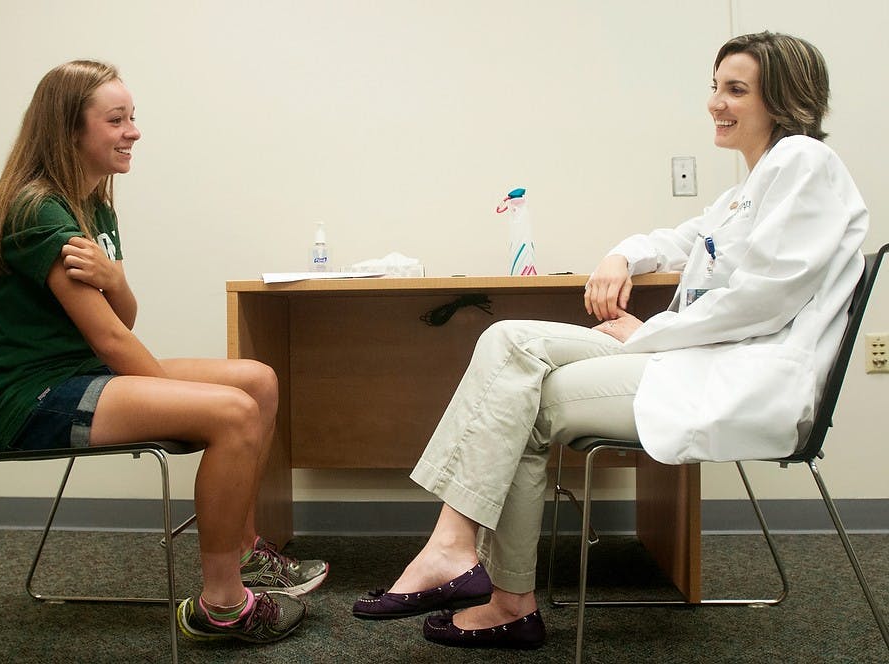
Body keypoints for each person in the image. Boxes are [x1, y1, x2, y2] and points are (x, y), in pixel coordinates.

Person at [352, 31, 868, 650]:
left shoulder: (803, 163)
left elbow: (766, 299)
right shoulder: (749, 190)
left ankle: (499, 593)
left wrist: (651, 332)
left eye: (737, 90)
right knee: (509, 341)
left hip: (743, 377)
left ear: (784, 101)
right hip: (698, 360)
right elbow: (683, 239)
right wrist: (621, 255)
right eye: (716, 87)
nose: (716, 103)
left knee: (522, 397)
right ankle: (459, 551)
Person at [0, 60, 328, 645]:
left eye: (132, 117)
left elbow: (122, 316)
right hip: (33, 399)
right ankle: (224, 606)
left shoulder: (94, 205)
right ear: (69, 130)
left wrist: (113, 277)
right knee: (232, 411)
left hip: (79, 373)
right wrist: (184, 396)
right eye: (116, 119)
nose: (133, 130)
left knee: (256, 381)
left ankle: (244, 553)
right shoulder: (38, 213)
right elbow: (110, 339)